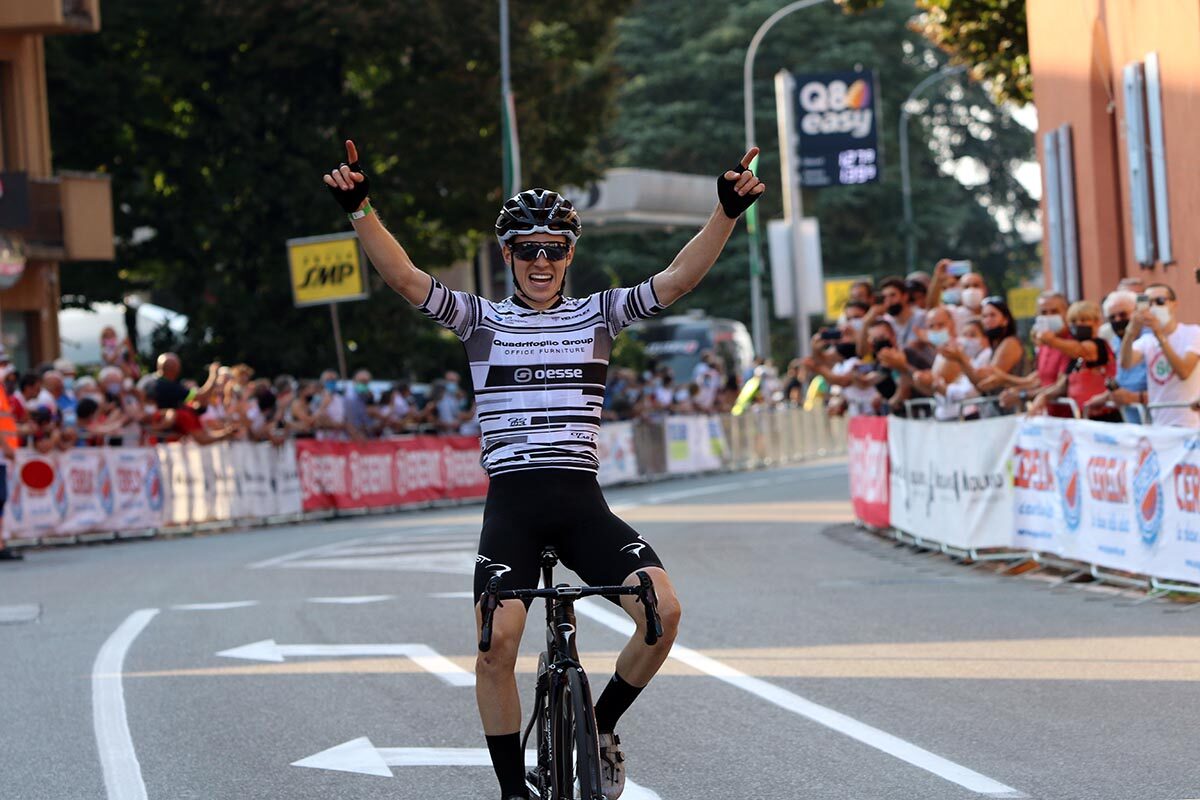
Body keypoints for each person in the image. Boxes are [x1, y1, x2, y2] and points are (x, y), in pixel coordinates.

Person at [323, 138, 763, 800]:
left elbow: (676, 279)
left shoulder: (598, 316)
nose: (541, 260)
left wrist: (724, 212)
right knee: (496, 645)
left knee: (663, 611)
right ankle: (511, 790)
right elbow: (408, 279)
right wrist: (360, 209)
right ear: (508, 256)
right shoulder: (482, 322)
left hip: (582, 504)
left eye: (554, 248)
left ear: (569, 255)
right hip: (513, 509)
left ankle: (602, 723)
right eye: (527, 249)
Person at [1120, 283, 1200, 427]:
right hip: (1160, 423)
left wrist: (1159, 335)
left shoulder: (1193, 333)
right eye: (1149, 302)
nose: (1154, 307)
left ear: (1174, 305)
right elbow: (1125, 364)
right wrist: (1130, 332)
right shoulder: (1147, 340)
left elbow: (1184, 372)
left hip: (1190, 423)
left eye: (1160, 301)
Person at [1026, 300, 1119, 421]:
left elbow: (1079, 349)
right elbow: (1064, 384)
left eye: (1084, 320)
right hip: (1082, 416)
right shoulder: (1074, 355)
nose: (1078, 324)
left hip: (1104, 415)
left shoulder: (1098, 345)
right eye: (1074, 321)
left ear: (1097, 322)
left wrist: (1052, 340)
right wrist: (1044, 396)